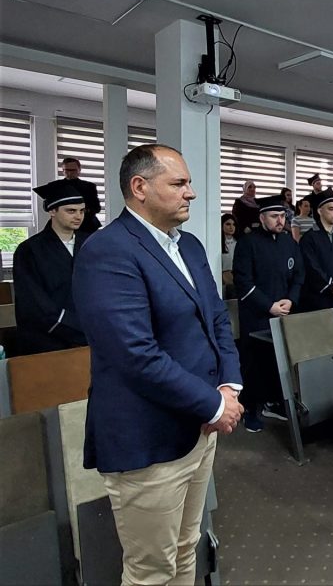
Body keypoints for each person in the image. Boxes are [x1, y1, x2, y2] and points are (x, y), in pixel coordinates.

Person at [72, 144, 243, 585]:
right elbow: (135, 355)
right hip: (149, 438)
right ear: (140, 187)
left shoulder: (190, 246)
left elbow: (217, 319)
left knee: (186, 548)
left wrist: (229, 386)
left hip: (199, 430)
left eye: (189, 183)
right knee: (151, 570)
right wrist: (214, 405)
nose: (191, 193)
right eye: (179, 183)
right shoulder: (107, 251)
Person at [232, 195, 305, 432]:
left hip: (283, 312)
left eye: (282, 216)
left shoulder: (288, 242)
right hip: (257, 314)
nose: (280, 221)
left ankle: (273, 402)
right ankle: (249, 408)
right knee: (253, 362)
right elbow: (243, 281)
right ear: (262, 218)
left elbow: (299, 275)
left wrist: (291, 300)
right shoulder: (247, 243)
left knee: (277, 360)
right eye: (274, 216)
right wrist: (269, 306)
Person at [13, 179, 92, 354]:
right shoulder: (29, 250)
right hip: (48, 342)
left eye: (81, 211)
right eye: (71, 211)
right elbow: (34, 304)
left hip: (91, 336)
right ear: (52, 211)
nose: (78, 216)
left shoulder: (91, 244)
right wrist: (80, 330)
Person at [62, 156, 102, 233]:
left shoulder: (89, 187)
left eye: (73, 170)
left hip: (86, 225)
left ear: (79, 170)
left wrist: (82, 210)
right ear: (63, 170)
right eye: (67, 170)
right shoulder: (57, 187)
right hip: (65, 226)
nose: (70, 173)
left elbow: (97, 208)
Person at [221, 213, 238, 297]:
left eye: (233, 224)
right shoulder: (218, 243)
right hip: (223, 281)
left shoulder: (239, 242)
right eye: (228, 224)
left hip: (238, 278)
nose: (231, 227)